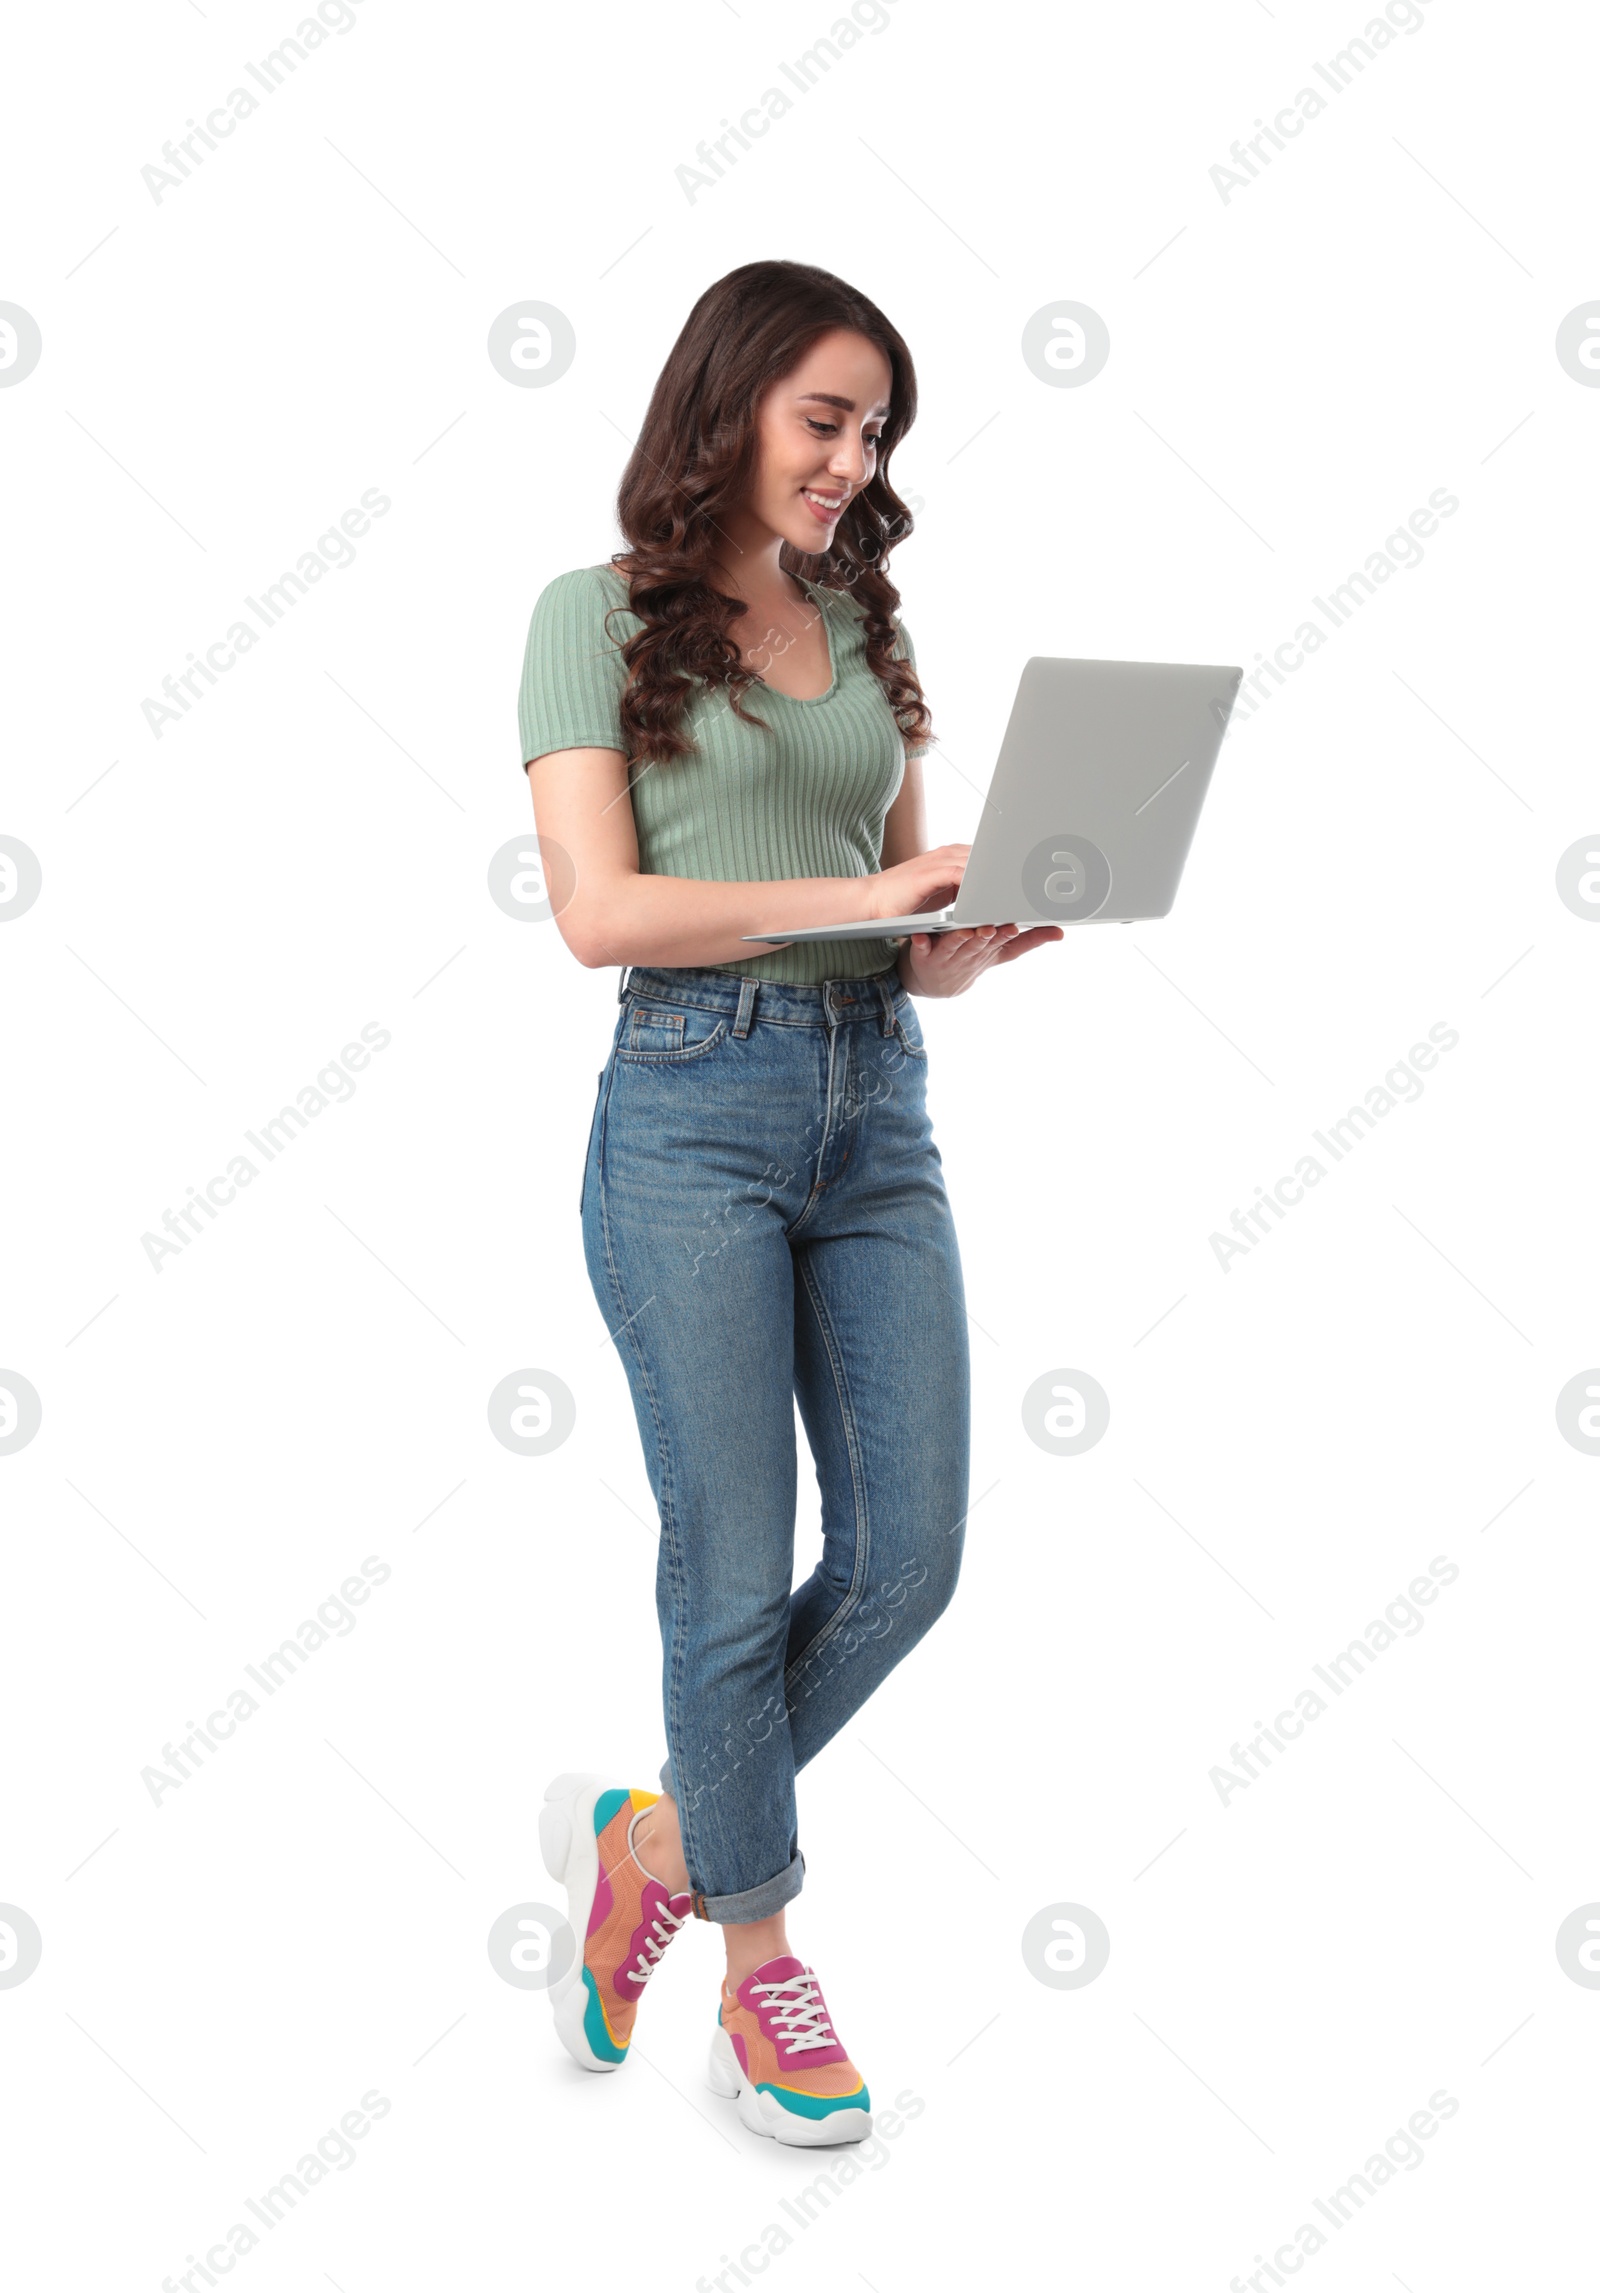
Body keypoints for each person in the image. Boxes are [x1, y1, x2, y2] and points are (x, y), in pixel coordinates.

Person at [517, 259, 1060, 2147]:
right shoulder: (589, 619)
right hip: (692, 1111)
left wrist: (970, 938)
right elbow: (598, 915)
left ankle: (655, 1838)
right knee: (733, 1574)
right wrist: (874, 907)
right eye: (826, 417)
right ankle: (758, 1967)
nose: (853, 458)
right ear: (731, 403)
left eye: (876, 431)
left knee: (910, 1554)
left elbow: (905, 927)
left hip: (874, 1108)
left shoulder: (864, 619)